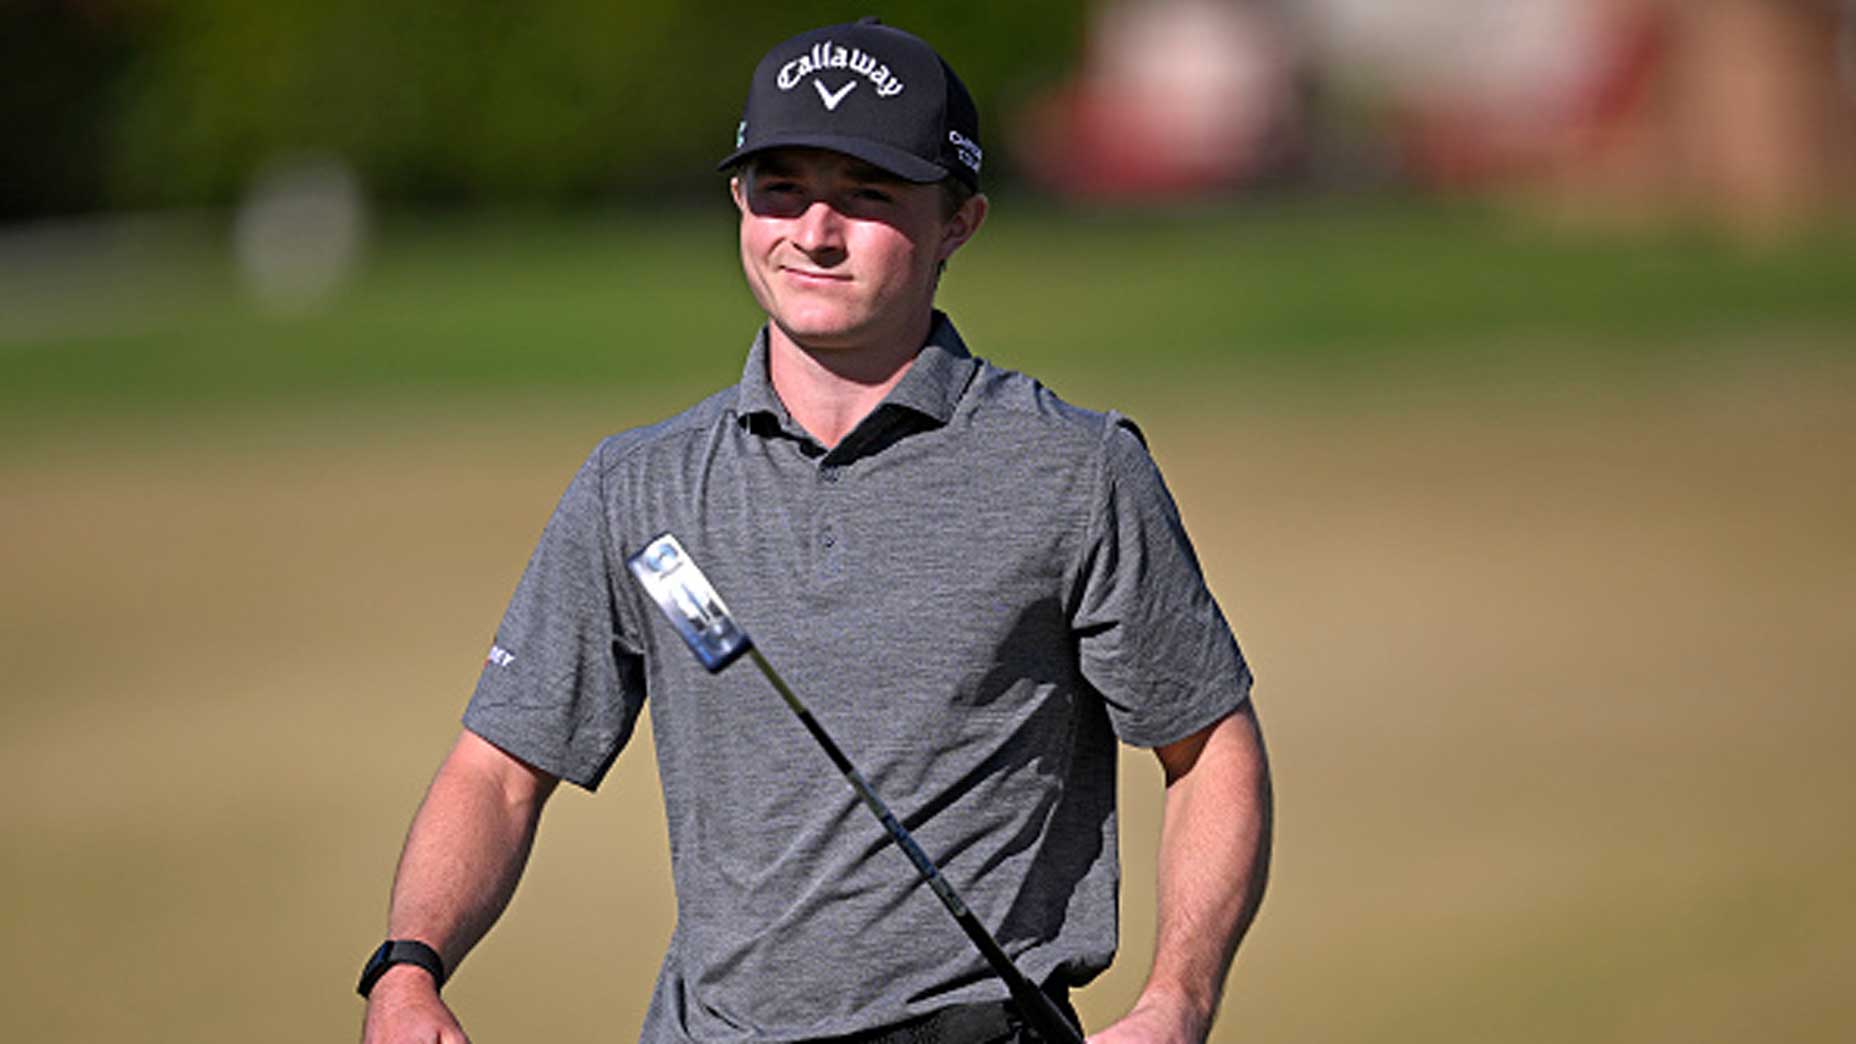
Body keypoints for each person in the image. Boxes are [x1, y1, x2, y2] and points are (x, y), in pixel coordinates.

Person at [358, 17, 1270, 1044]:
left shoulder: (1072, 469)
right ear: (739, 202)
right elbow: (498, 765)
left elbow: (1207, 746)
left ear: (958, 222)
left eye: (868, 195)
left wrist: (1176, 1000)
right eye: (781, 187)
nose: (814, 232)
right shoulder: (638, 486)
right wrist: (409, 968)